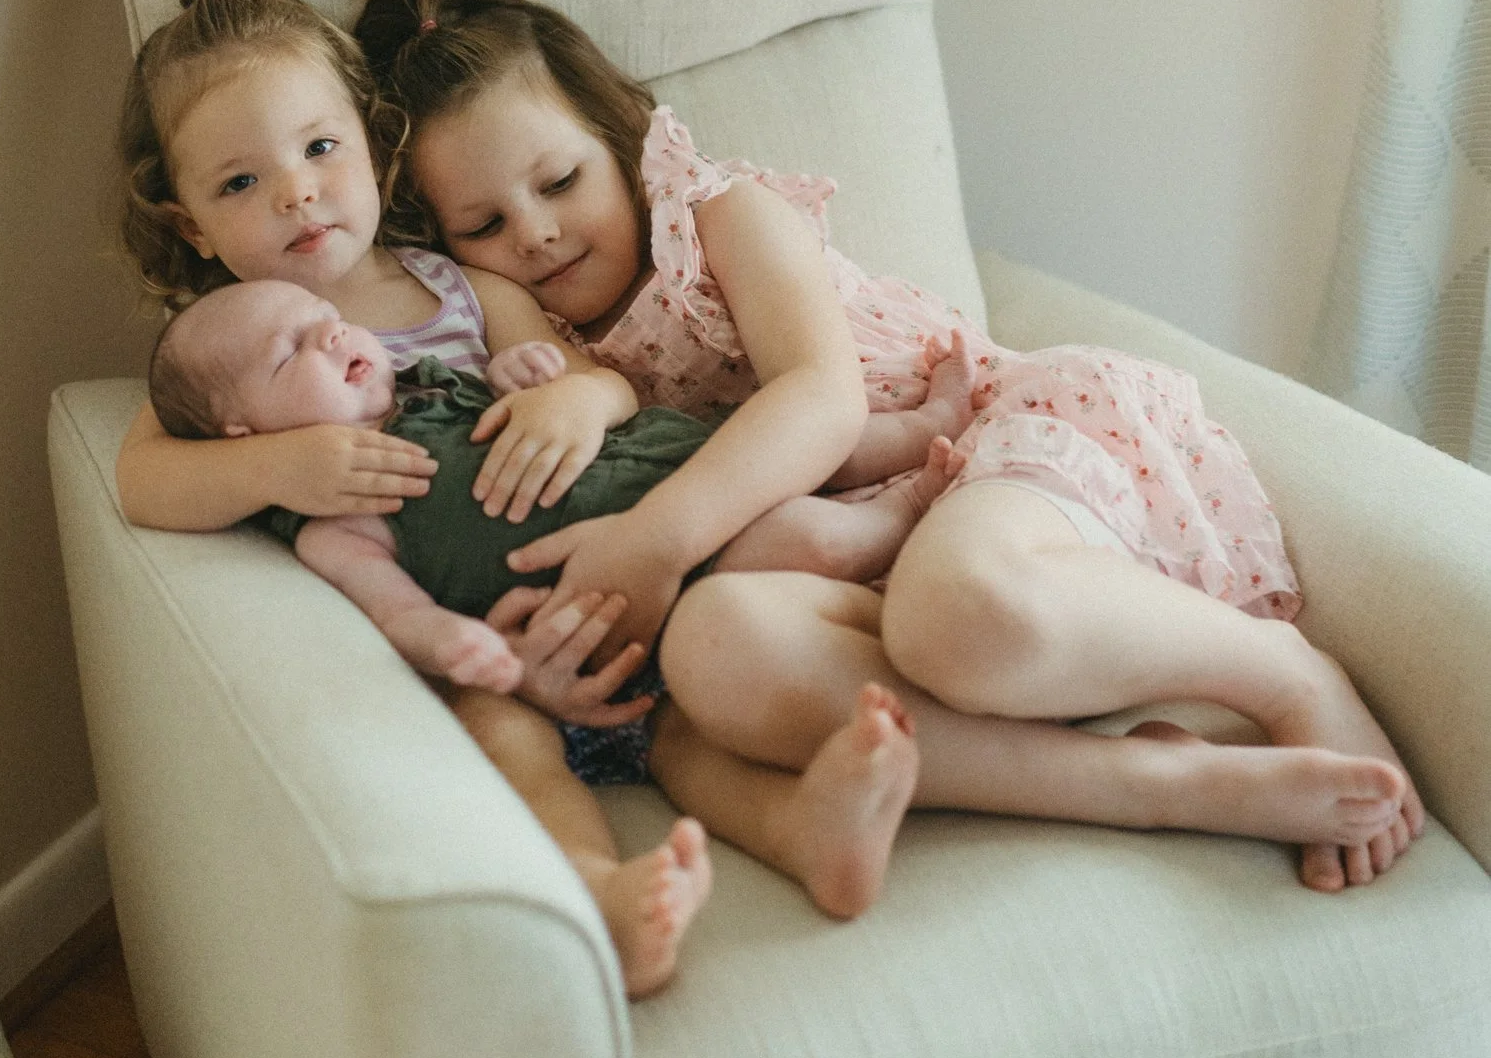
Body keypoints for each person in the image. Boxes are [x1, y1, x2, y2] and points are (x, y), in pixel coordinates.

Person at [354, 0, 1422, 896]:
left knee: (952, 616)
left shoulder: (719, 218)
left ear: (616, 134)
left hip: (989, 459)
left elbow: (822, 397)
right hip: (860, 573)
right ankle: (1155, 782)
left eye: (559, 180)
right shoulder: (537, 363)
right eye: (484, 224)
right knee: (713, 649)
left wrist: (658, 537)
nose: (535, 232)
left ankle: (1283, 671)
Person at [109, 0, 941, 989]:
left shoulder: (470, 286)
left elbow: (609, 385)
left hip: (619, 579)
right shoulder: (222, 345)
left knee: (679, 726)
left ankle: (805, 826)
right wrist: (281, 462)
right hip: (486, 642)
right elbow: (143, 478)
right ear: (190, 224)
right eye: (237, 184)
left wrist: (572, 400)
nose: (294, 192)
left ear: (373, 148)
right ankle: (601, 889)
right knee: (513, 742)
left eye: (320, 149)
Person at [149, 276, 948, 974]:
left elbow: (567, 403)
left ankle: (914, 476)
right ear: (243, 435)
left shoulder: (442, 384)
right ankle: (621, 887)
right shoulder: (331, 516)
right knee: (526, 743)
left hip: (695, 556)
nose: (330, 333)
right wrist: (465, 648)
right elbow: (393, 609)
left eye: (325, 316)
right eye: (291, 353)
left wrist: (521, 378)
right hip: (546, 672)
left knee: (806, 530)